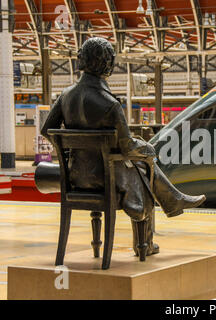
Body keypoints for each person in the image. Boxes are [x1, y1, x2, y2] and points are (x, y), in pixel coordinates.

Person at [41, 37, 206, 256]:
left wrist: (68, 150)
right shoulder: (109, 104)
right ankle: (146, 243)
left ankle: (173, 202)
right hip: (106, 179)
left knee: (141, 167)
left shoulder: (66, 96)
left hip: (76, 177)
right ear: (106, 64)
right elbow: (127, 148)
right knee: (144, 169)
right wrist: (148, 149)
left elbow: (47, 130)